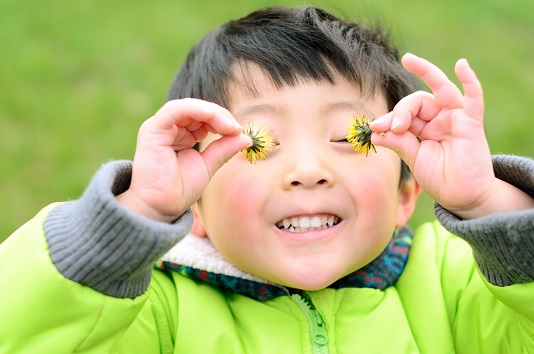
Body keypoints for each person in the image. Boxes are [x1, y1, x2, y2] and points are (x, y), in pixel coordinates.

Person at [1, 6, 533, 353]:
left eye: (352, 138)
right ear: (197, 209)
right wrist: (139, 211)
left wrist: (488, 201)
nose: (306, 171)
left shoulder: (457, 287)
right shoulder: (152, 311)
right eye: (258, 142)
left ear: (405, 194)